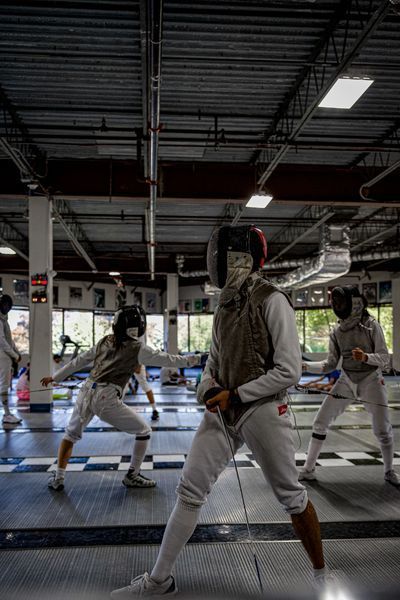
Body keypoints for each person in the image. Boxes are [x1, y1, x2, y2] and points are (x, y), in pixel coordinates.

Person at [111, 225, 331, 598]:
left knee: (291, 497)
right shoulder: (223, 307)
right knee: (189, 490)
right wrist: (208, 388)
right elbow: (213, 361)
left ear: (237, 258)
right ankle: (159, 581)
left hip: (262, 411)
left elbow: (289, 370)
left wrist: (237, 393)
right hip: (223, 410)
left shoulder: (272, 299)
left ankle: (323, 576)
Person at [41, 305, 199, 492]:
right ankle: (132, 474)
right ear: (138, 327)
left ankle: (58, 478)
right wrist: (196, 359)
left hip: (85, 391)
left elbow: (79, 361)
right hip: (105, 398)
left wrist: (55, 377)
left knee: (70, 435)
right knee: (144, 430)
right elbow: (169, 360)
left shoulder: (104, 341)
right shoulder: (138, 348)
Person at [299, 285, 399, 487]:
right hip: (346, 380)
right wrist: (305, 365)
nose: (337, 305)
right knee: (320, 422)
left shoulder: (372, 325)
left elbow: (385, 359)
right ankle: (308, 470)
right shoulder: (337, 331)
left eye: (340, 301)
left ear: (353, 302)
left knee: (382, 430)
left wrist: (366, 357)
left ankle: (389, 471)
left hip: (371, 380)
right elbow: (329, 365)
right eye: (334, 302)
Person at [0, 294, 22, 424]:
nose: (6, 307)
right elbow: (2, 342)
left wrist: (16, 352)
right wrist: (14, 355)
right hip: (3, 356)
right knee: (3, 385)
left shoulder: (3, 320)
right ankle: (7, 414)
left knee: (4, 384)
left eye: (8, 305)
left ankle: (7, 413)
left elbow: (9, 340)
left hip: (5, 356)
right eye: (4, 305)